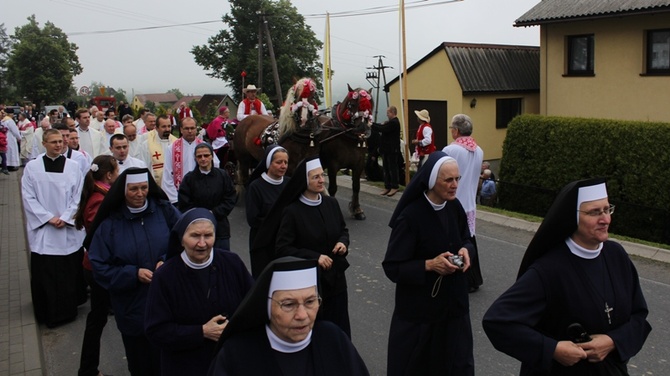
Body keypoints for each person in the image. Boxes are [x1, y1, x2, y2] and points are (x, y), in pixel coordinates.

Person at [482, 178, 652, 375]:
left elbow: (639, 316)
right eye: (594, 212)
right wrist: (552, 349)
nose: (605, 219)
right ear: (572, 216)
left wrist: (613, 342)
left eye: (607, 210)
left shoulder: (617, 255)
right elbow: (498, 322)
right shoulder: (548, 269)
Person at [382, 151, 475, 376]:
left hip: (454, 310)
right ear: (433, 181)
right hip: (421, 316)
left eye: (457, 179)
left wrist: (466, 250)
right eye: (448, 180)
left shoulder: (454, 207)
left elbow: (467, 239)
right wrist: (429, 265)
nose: (455, 185)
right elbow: (392, 267)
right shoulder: (410, 217)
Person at [86, 168, 181, 376]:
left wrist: (166, 262)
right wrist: (133, 274)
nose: (140, 194)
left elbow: (185, 242)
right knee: (141, 363)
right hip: (132, 305)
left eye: (144, 188)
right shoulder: (111, 223)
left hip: (168, 301)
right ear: (123, 191)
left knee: (170, 360)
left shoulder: (164, 211)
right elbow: (99, 265)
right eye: (134, 189)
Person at [208, 257, 369, 375]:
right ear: (267, 305)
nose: (302, 315)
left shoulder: (333, 339)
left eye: (310, 301)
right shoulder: (237, 353)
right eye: (289, 304)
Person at [144, 208, 254, 376]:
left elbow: (252, 306)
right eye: (195, 236)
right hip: (185, 366)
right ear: (181, 239)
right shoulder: (165, 276)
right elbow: (156, 331)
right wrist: (201, 331)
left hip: (229, 363)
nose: (202, 243)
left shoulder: (232, 263)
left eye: (208, 236)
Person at [253, 156, 352, 336]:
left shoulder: (331, 203)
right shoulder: (292, 211)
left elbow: (343, 230)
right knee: (317, 329)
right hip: (309, 282)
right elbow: (283, 248)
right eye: (315, 177)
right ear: (304, 181)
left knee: (340, 327)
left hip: (336, 279)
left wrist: (342, 243)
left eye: (322, 175)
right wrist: (315, 257)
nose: (321, 180)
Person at [21, 129, 85, 327]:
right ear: (44, 143)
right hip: (45, 230)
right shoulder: (32, 168)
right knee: (46, 274)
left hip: (66, 228)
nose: (59, 145)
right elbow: (28, 197)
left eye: (61, 141)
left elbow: (78, 196)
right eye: (54, 142)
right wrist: (48, 218)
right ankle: (46, 312)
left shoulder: (73, 167)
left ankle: (68, 310)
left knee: (67, 273)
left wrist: (65, 217)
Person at [74, 155, 119, 376]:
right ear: (109, 174)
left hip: (98, 266)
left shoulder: (101, 194)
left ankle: (88, 368)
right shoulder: (99, 199)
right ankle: (88, 369)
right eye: (116, 170)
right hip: (98, 267)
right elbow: (99, 233)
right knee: (97, 320)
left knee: (98, 319)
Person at [443, 113, 484, 292]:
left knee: (454, 240)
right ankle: (474, 278)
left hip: (454, 201)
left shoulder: (451, 150)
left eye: (452, 128)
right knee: (469, 240)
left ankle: (462, 277)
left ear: (456, 131)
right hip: (470, 203)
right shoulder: (478, 150)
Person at [178, 143, 237, 250]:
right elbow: (184, 203)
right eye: (199, 156)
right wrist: (201, 215)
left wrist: (214, 213)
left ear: (212, 156)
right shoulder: (189, 179)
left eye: (206, 155)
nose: (203, 159)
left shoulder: (222, 175)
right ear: (195, 158)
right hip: (197, 228)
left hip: (220, 228)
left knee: (222, 261)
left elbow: (230, 197)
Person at [245, 145, 290, 269]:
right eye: (279, 162)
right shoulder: (255, 187)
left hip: (285, 243)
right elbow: (253, 219)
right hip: (263, 243)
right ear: (269, 163)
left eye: (286, 162)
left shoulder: (289, 184)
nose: (283, 166)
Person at [162, 117, 219, 204]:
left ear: (196, 129)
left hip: (203, 194)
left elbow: (215, 166)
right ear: (181, 130)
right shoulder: (172, 148)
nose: (190, 131)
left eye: (192, 128)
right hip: (180, 195)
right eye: (186, 128)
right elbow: (167, 175)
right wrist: (175, 199)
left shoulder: (205, 147)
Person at [372, 106, 401, 197]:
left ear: (393, 113)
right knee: (386, 169)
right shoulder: (390, 123)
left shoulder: (394, 122)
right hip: (386, 150)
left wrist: (371, 125)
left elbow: (382, 128)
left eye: (388, 113)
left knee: (392, 169)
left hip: (392, 150)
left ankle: (394, 186)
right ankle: (387, 186)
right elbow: (382, 127)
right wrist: (373, 124)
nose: (386, 114)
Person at [141, 115, 177, 186]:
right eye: (163, 127)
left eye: (169, 126)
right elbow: (144, 166)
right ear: (156, 128)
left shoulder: (176, 143)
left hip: (173, 184)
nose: (167, 129)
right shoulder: (147, 144)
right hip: (155, 185)